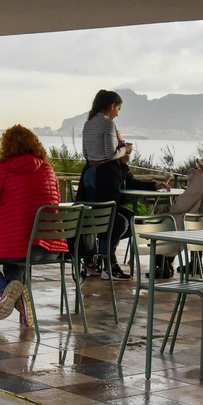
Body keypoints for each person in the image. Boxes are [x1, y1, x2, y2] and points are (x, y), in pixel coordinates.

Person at [0, 125, 68, 324]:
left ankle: (7, 292)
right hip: (50, 248)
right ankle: (15, 286)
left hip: (16, 247)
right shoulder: (48, 169)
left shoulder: (3, 170)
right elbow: (56, 201)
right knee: (16, 256)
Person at [77, 90, 161, 279]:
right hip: (105, 180)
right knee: (119, 221)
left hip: (89, 176)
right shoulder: (108, 124)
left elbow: (86, 154)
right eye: (118, 108)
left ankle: (104, 256)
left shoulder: (88, 124)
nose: (118, 113)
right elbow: (109, 154)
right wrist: (125, 149)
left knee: (115, 220)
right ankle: (108, 261)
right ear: (112, 105)